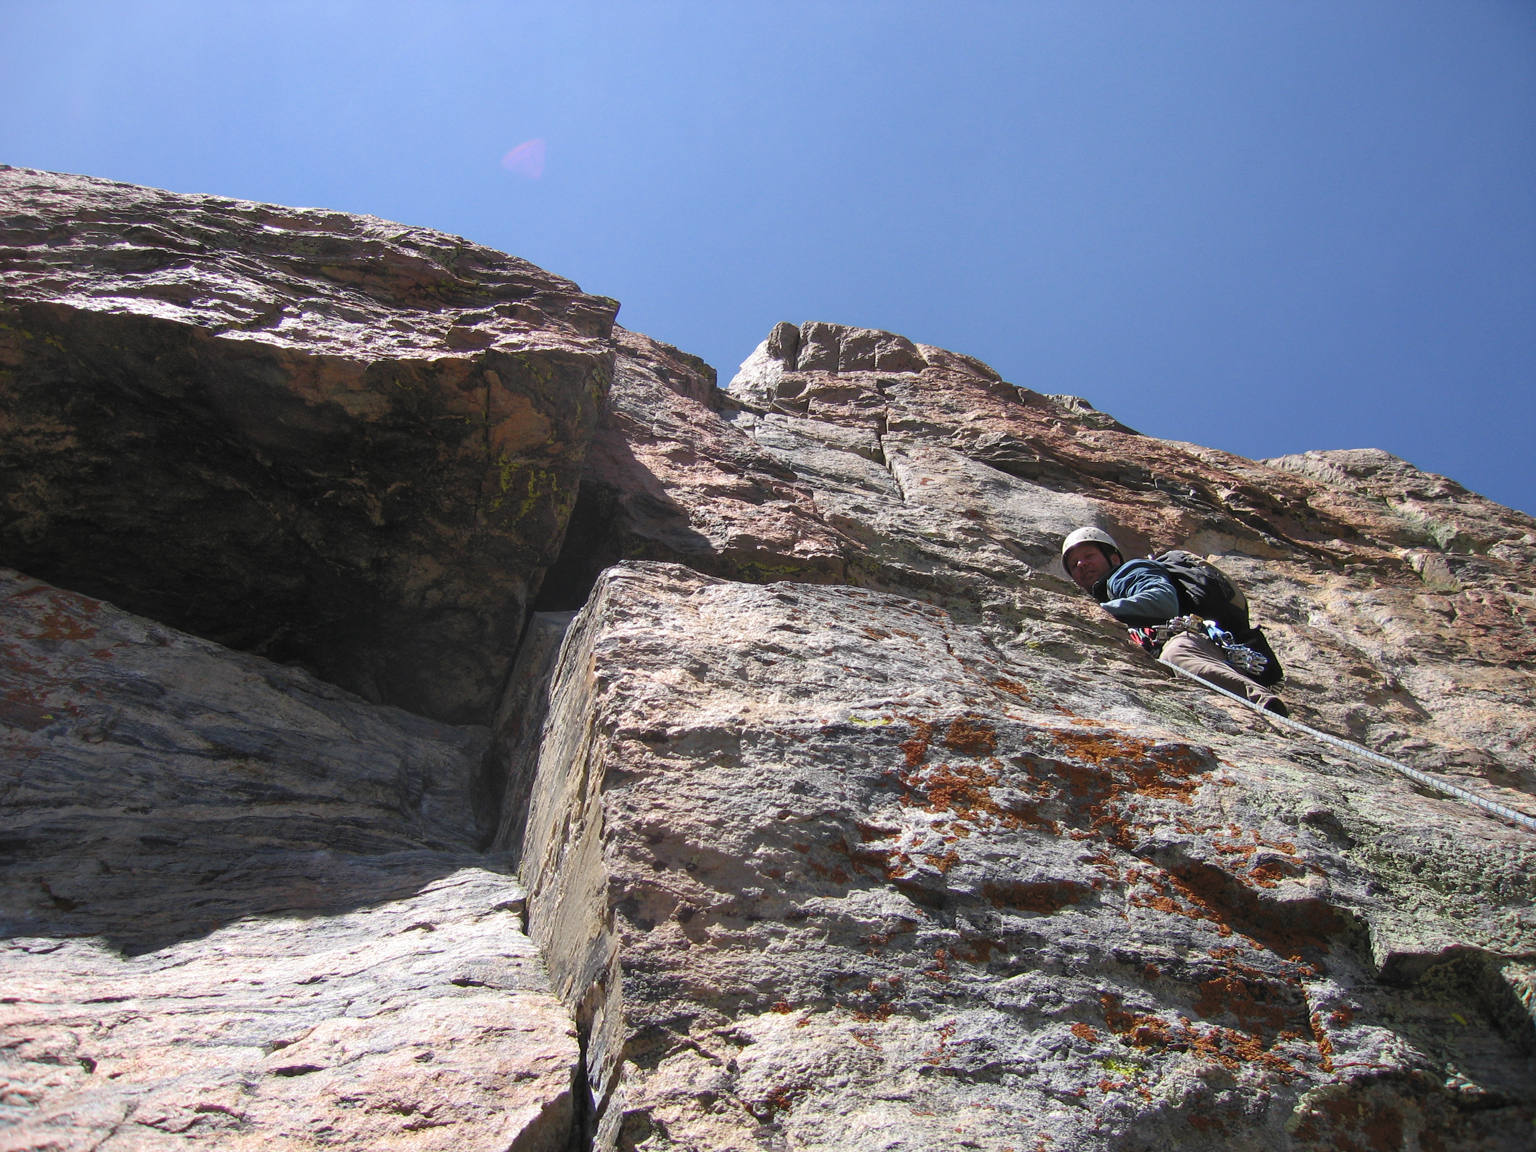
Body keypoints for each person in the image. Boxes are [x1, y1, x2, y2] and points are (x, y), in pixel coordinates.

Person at [1060, 527, 1288, 716]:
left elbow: (1162, 601)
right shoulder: (1111, 591)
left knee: (1175, 656)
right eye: (1073, 564)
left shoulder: (1127, 572)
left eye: (1089, 556)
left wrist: (1098, 612)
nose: (1081, 564)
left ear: (1114, 558)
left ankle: (1261, 703)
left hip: (1189, 640)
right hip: (1204, 647)